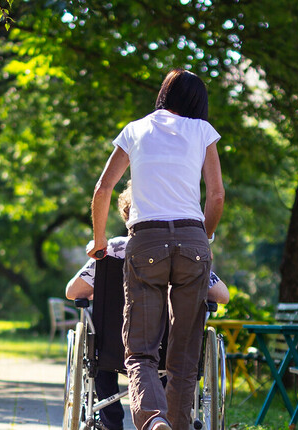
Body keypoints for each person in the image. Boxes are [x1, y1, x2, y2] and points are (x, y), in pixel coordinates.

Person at [88, 69, 224, 430]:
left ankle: (153, 421)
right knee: (184, 353)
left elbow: (104, 189)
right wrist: (203, 238)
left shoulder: (135, 129)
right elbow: (217, 194)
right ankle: (177, 424)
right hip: (193, 242)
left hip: (145, 241)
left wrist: (101, 241)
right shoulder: (203, 132)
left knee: (141, 351)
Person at [66, 187, 228, 430]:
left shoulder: (109, 250)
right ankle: (167, 415)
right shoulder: (183, 250)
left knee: (99, 347)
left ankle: (112, 423)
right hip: (170, 348)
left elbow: (72, 292)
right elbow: (222, 296)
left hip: (115, 348)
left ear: (127, 215)